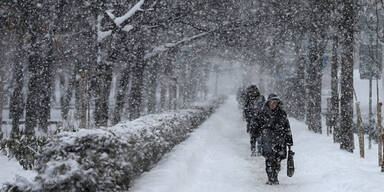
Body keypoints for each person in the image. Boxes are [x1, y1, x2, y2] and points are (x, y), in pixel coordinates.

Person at [254, 94, 293, 185]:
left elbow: (287, 128)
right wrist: (255, 134)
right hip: (267, 140)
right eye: (271, 102)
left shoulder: (282, 114)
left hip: (280, 141)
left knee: (277, 160)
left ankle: (275, 176)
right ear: (268, 103)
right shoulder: (263, 113)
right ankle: (270, 177)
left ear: (277, 103)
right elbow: (257, 125)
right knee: (269, 160)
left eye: (275, 103)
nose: (273, 104)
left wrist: (289, 142)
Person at [243, 85, 265, 155]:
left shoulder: (261, 98)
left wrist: (262, 116)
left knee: (260, 137)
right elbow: (246, 110)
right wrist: (249, 118)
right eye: (251, 92)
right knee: (252, 136)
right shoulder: (248, 100)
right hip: (251, 121)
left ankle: (259, 149)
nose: (253, 93)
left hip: (260, 121)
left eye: (254, 92)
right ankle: (253, 149)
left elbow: (265, 108)